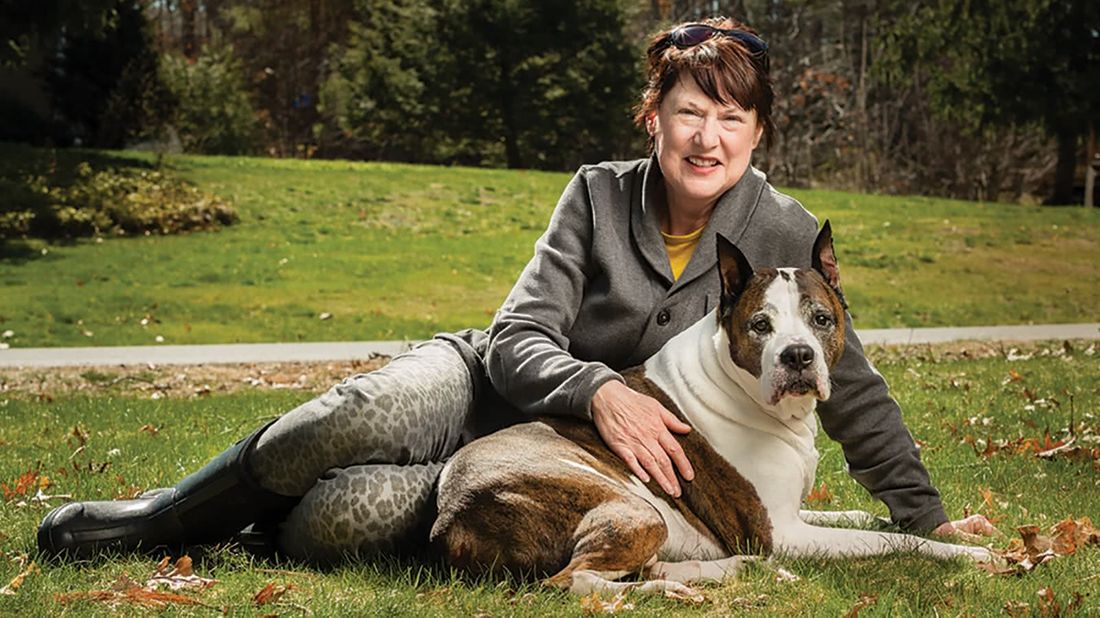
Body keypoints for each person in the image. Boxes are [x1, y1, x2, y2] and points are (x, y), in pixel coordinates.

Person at [37, 16, 994, 564]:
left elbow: (850, 383)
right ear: (653, 117)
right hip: (490, 388)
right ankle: (156, 520)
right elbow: (519, 335)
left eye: (730, 117)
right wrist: (600, 388)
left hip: (553, 471)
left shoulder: (781, 233)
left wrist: (928, 516)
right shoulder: (595, 193)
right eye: (688, 111)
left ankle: (234, 542)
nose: (707, 136)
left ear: (757, 133)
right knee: (348, 419)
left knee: (347, 518)